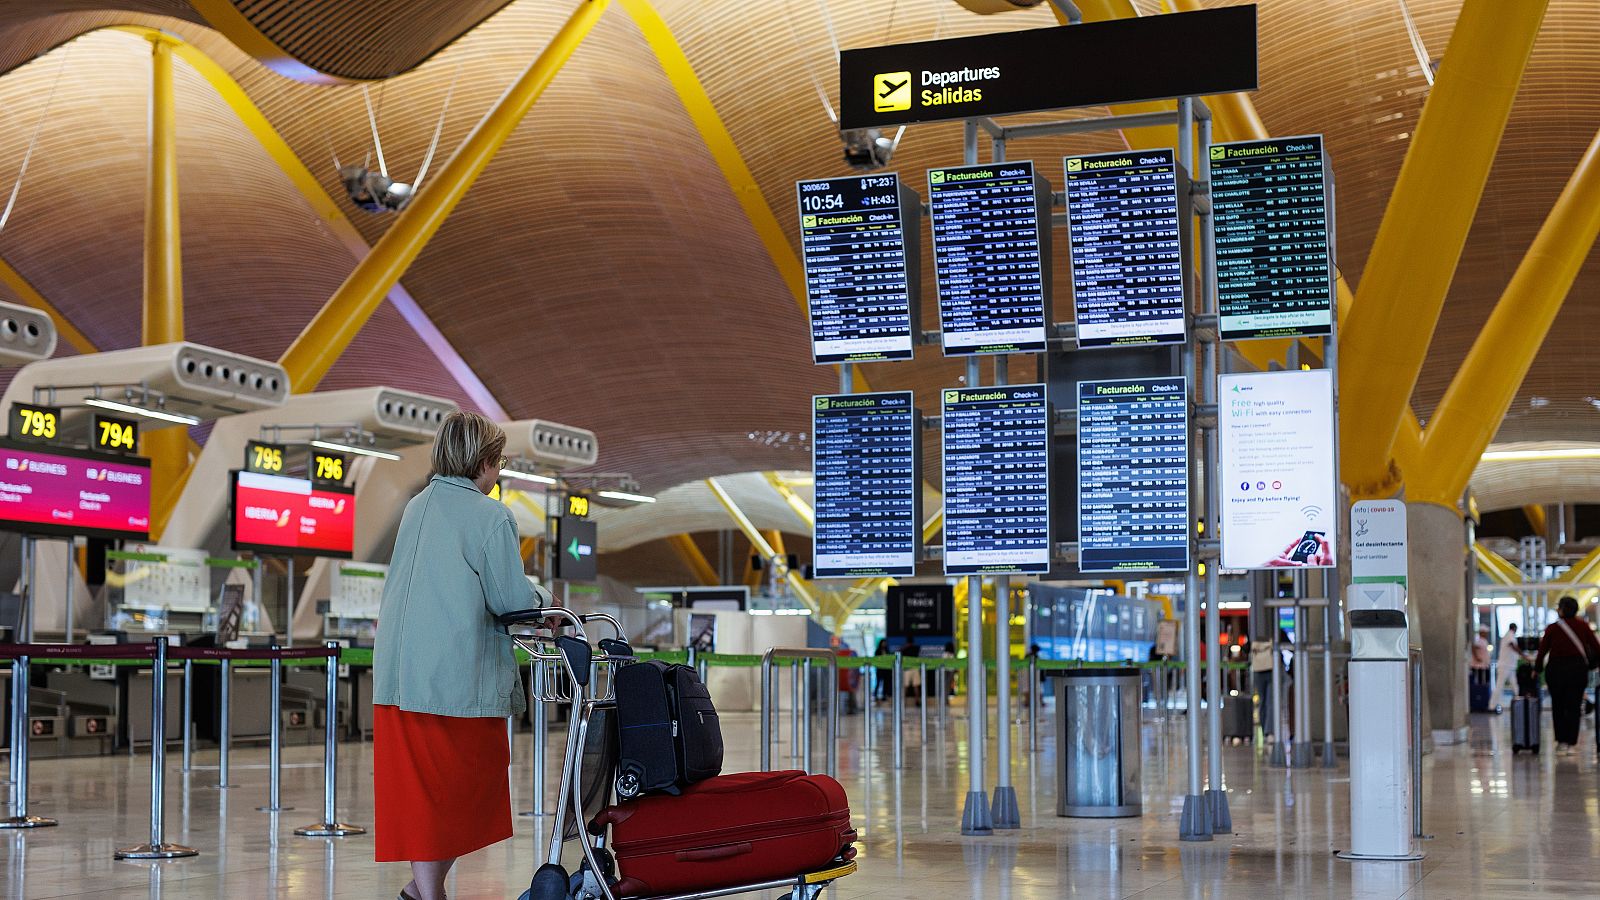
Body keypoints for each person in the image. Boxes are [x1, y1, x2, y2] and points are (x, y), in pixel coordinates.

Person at [373, 411, 550, 900]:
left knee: (424, 793)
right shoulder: (490, 515)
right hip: (456, 678)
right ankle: (428, 894)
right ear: (485, 462)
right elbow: (510, 599)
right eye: (499, 463)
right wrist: (545, 602)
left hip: (400, 678)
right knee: (471, 785)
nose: (498, 473)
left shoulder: (416, 507)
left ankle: (423, 891)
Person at [1534, 595, 1600, 754]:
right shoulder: (1583, 626)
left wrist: (1537, 669)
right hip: (1577, 670)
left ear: (1562, 609)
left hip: (1556, 670)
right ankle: (1571, 743)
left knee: (1558, 705)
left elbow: (1542, 651)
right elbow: (1597, 648)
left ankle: (1561, 741)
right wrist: (1593, 664)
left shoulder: (1552, 628)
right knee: (1574, 706)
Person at [1494, 623, 1526, 706]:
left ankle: (1519, 705)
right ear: (1514, 628)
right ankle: (1492, 706)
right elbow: (1513, 646)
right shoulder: (1509, 635)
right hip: (1505, 666)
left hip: (1510, 666)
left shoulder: (1510, 635)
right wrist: (1523, 655)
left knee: (1515, 687)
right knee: (1499, 687)